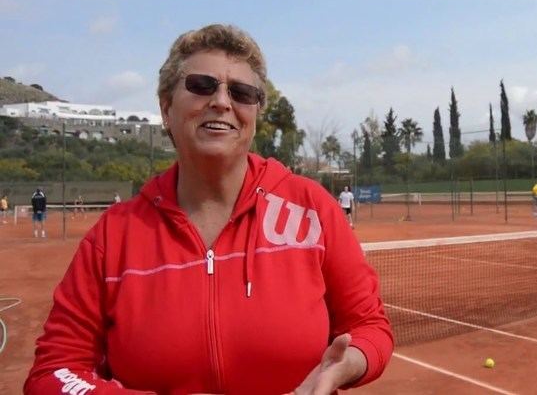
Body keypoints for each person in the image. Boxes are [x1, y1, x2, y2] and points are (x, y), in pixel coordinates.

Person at [25, 24, 393, 394]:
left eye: (241, 92)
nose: (221, 101)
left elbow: (370, 326)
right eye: (202, 85)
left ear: (254, 115)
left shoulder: (312, 208)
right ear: (167, 109)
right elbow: (54, 372)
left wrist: (343, 367)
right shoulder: (113, 236)